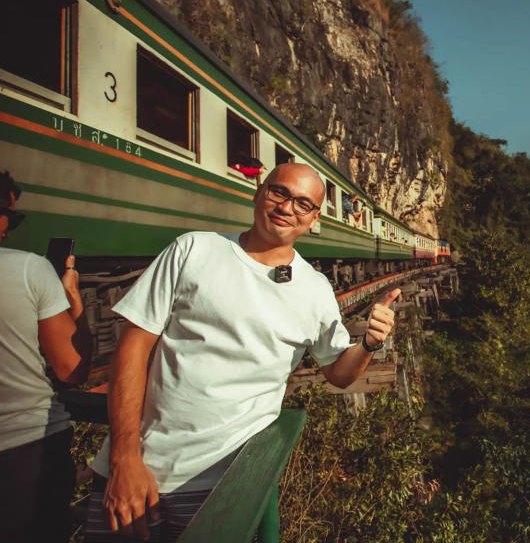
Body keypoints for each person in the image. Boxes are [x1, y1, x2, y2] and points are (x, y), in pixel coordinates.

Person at [85, 163, 400, 541]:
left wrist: (368, 342)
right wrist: (124, 458)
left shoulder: (315, 290)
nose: (286, 208)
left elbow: (339, 373)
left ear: (314, 218)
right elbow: (133, 348)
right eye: (279, 193)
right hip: (136, 470)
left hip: (225, 487)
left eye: (302, 204)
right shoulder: (193, 249)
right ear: (259, 191)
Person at [0, 169, 91, 543]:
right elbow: (73, 370)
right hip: (26, 447)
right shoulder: (27, 268)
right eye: (12, 215)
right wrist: (74, 301)